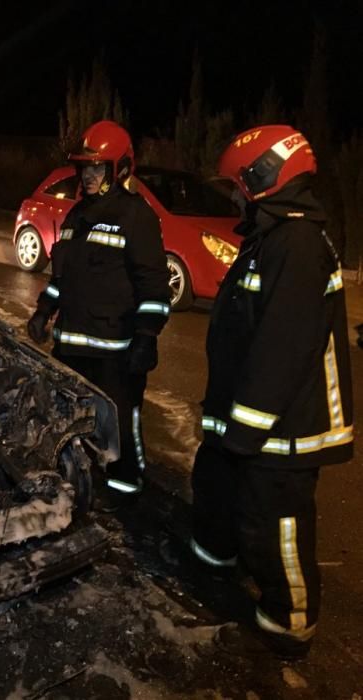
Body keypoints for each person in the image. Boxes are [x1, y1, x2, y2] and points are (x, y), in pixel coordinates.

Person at [189, 125, 353, 660]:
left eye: (238, 184)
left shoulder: (297, 244)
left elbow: (282, 349)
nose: (233, 194)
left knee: (276, 522)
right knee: (227, 498)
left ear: (263, 177)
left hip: (286, 429)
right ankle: (217, 565)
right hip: (256, 420)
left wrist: (244, 427)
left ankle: (290, 622)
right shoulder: (272, 237)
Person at [27, 120, 171, 510]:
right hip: (70, 349)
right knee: (69, 424)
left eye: (97, 167)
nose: (88, 175)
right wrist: (44, 311)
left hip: (116, 355)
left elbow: (155, 289)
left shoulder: (136, 217)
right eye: (84, 167)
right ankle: (80, 484)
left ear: (119, 168)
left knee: (121, 430)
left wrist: (145, 337)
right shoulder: (75, 217)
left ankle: (128, 497)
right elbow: (62, 278)